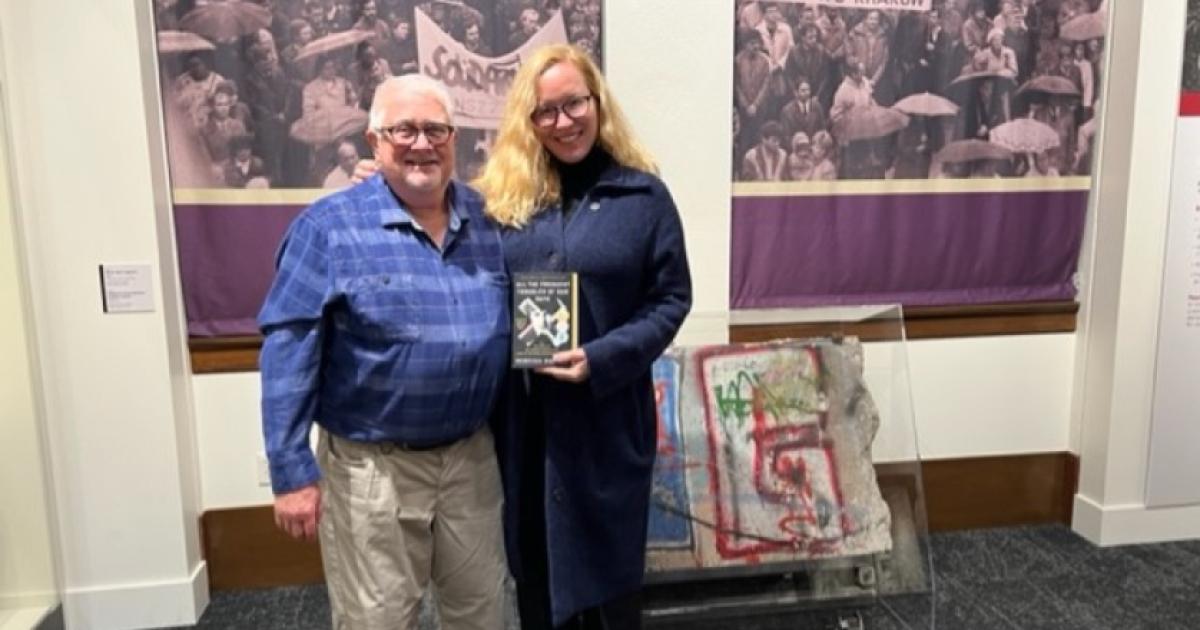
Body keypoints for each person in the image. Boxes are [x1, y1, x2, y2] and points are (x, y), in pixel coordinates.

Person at [258, 74, 509, 629]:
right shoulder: (327, 228)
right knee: (378, 619)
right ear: (375, 142)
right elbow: (287, 348)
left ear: (454, 137)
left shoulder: (492, 223)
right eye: (404, 130)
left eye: (435, 130)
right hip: (372, 471)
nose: (421, 143)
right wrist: (289, 469)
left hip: (471, 461)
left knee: (484, 612)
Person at [475, 43, 692, 629]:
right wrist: (378, 183)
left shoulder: (644, 198)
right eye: (545, 111)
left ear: (597, 102)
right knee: (536, 580)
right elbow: (434, 215)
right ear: (529, 121)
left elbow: (671, 299)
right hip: (525, 426)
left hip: (607, 421)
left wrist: (604, 357)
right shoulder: (500, 202)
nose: (562, 121)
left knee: (611, 588)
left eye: (573, 103)